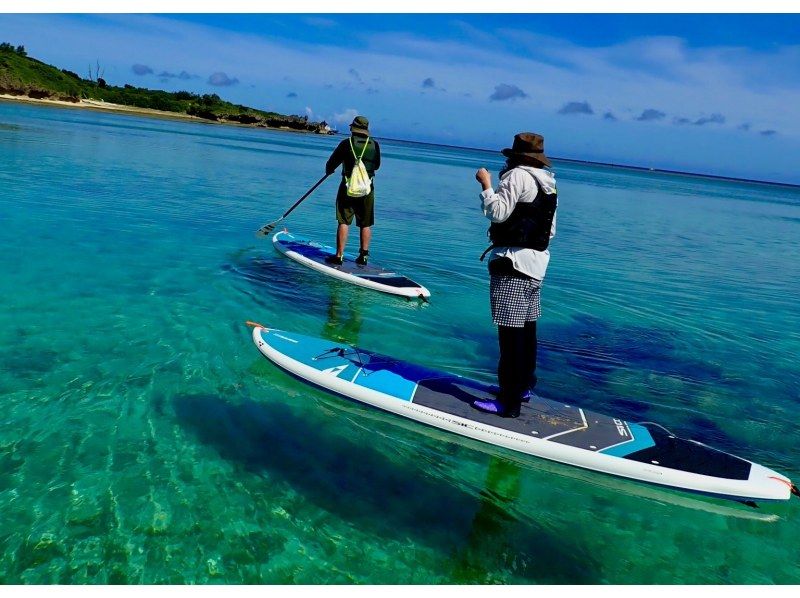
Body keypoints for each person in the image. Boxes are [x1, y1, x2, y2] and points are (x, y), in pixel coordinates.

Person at [472, 132, 558, 418]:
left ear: (516, 156)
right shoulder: (549, 183)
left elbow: (497, 212)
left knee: (509, 336)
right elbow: (550, 231)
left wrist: (486, 185)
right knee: (527, 332)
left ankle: (508, 404)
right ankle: (522, 388)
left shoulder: (516, 177)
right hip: (537, 265)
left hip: (512, 264)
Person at [323, 115, 381, 266]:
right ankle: (363, 257)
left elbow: (331, 163)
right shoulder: (374, 145)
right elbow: (377, 166)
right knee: (365, 223)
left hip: (347, 188)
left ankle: (339, 256)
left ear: (353, 128)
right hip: (367, 189)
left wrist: (330, 171)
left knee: (343, 221)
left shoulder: (346, 143)